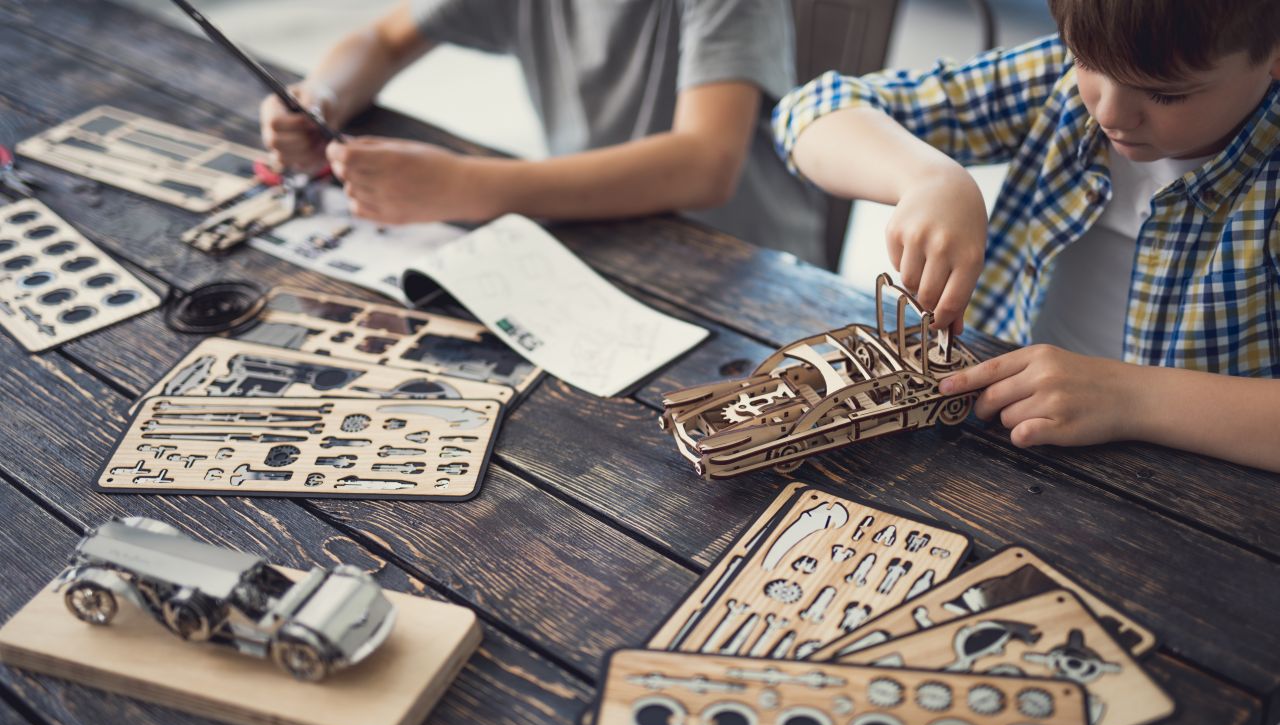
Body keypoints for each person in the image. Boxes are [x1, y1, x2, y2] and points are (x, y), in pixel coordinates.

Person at [772, 0, 1280, 471]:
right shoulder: (1058, 81)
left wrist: (1133, 398)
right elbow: (812, 109)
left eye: (1165, 92)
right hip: (1003, 441)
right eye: (1087, 62)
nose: (1109, 113)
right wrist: (927, 178)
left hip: (1197, 496)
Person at [259, 0, 824, 266]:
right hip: (596, 233)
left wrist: (466, 186)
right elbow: (382, 38)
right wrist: (322, 95)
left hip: (742, 260)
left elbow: (704, 164)